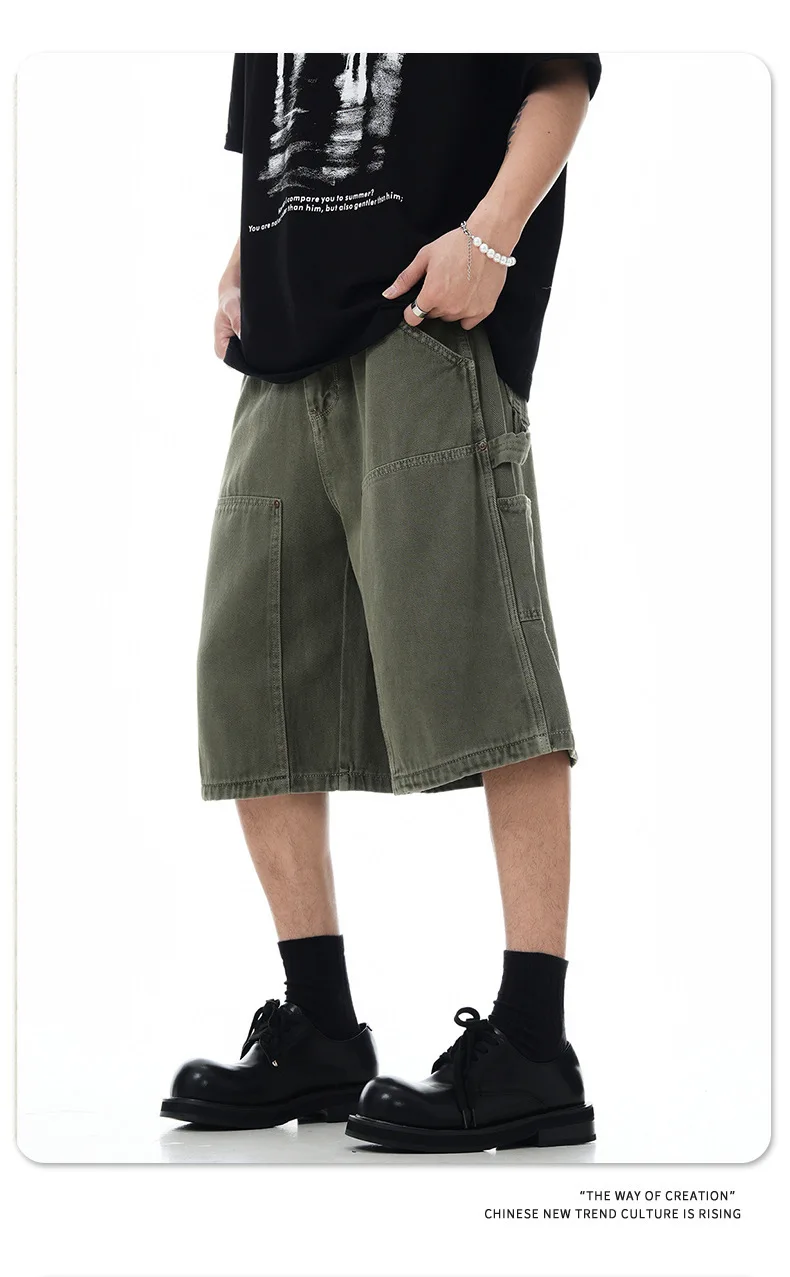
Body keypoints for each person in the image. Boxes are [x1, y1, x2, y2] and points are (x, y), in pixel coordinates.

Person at [161, 52, 602, 1153]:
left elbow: (560, 78)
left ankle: (533, 1045)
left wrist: (490, 240)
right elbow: (276, 145)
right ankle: (319, 1024)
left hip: (424, 327)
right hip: (283, 355)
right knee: (251, 680)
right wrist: (240, 266)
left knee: (483, 659)